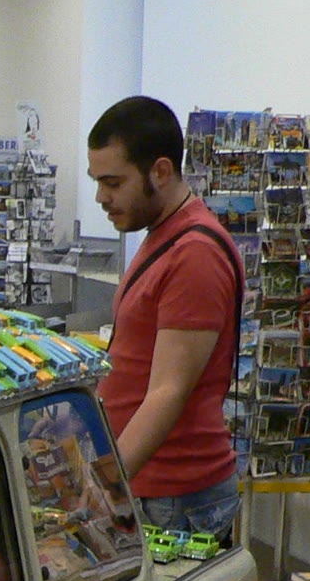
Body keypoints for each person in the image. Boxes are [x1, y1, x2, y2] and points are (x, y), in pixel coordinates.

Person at [88, 94, 244, 539]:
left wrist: (103, 489)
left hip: (173, 500)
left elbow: (167, 392)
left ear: (160, 171)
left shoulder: (194, 254)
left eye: (113, 183)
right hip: (154, 490)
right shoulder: (163, 234)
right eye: (97, 182)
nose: (101, 197)